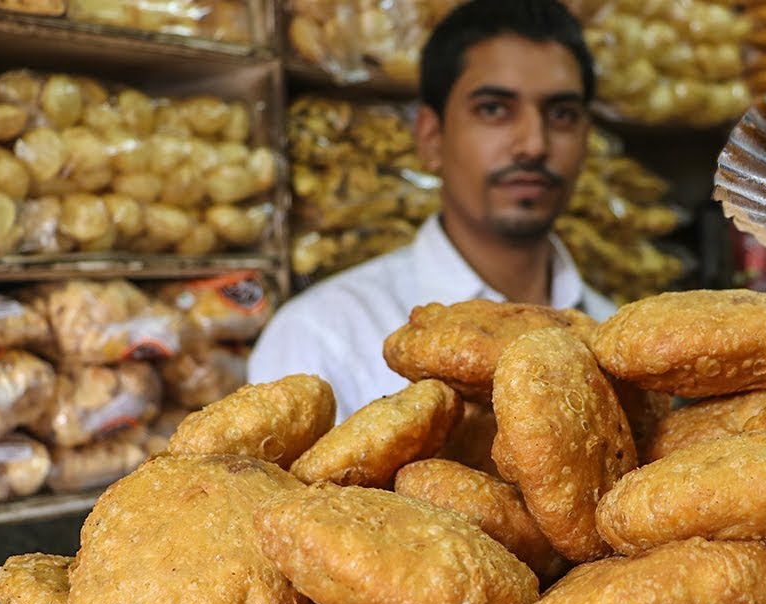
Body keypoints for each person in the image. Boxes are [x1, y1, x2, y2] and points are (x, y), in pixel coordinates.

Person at [248, 0, 614, 420]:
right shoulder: (323, 337)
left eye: (562, 114)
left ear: (587, 139)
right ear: (431, 138)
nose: (534, 143)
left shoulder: (615, 336)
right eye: (493, 109)